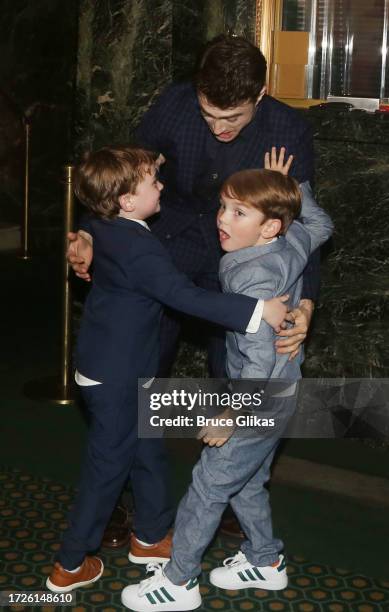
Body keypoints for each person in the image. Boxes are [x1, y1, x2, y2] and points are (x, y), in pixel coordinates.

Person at [67, 34, 318, 544]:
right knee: (138, 381)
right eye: (210, 116)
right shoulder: (173, 104)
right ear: (196, 93)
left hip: (246, 266)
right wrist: (91, 236)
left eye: (235, 118)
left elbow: (302, 226)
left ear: (262, 93)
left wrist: (305, 300)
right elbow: (120, 180)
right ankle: (122, 499)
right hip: (165, 254)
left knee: (242, 378)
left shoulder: (289, 129)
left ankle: (232, 492)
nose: (221, 130)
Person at [46, 146, 287, 594]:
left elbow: (92, 228)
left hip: (127, 364)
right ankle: (70, 563)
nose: (161, 186)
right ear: (126, 200)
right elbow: (184, 295)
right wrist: (257, 311)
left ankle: (151, 536)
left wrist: (84, 237)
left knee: (148, 450)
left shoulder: (107, 224)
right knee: (107, 470)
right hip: (115, 375)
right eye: (152, 182)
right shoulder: (139, 250)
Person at [121, 158, 333, 611]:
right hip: (284, 390)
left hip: (258, 397)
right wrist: (293, 184)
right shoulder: (292, 240)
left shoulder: (249, 274)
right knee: (248, 481)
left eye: (239, 213)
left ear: (270, 226)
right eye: (223, 207)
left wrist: (231, 414)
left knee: (209, 483)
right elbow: (320, 222)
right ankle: (264, 560)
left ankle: (178, 581)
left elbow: (257, 356)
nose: (222, 219)